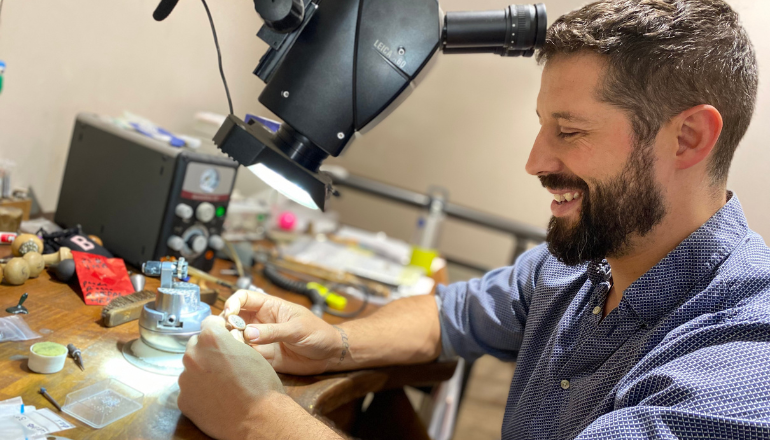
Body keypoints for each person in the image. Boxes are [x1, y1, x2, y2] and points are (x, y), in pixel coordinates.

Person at [177, 0, 769, 438]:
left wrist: (258, 416)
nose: (536, 161)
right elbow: (451, 312)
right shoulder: (586, 262)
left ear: (688, 138)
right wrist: (333, 344)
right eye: (542, 125)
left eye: (569, 131)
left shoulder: (744, 360)